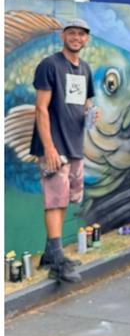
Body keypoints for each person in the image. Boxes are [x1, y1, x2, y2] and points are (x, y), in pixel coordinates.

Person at [31, 19, 97, 283]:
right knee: (54, 199)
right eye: (71, 33)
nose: (76, 37)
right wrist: (49, 147)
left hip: (74, 144)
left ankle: (51, 252)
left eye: (81, 34)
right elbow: (41, 108)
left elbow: (83, 102)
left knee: (64, 198)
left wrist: (91, 112)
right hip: (54, 145)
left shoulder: (86, 69)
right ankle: (57, 261)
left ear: (86, 39)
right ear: (62, 36)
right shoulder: (50, 65)